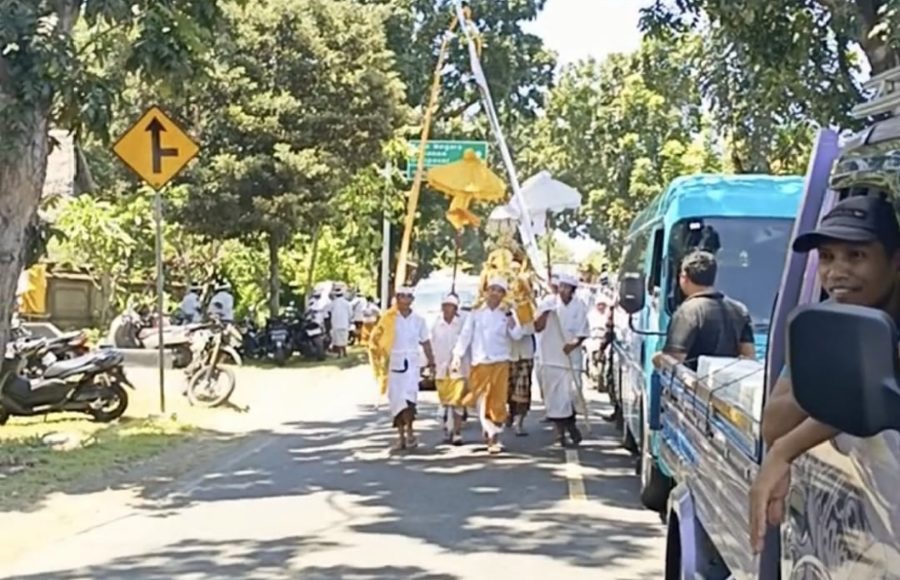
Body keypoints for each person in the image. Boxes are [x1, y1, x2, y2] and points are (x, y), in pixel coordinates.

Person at [750, 196, 900, 553]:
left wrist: (785, 451)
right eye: (827, 257)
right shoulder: (823, 322)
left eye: (856, 256)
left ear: (896, 261)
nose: (836, 272)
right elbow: (774, 424)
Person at [452, 278, 525, 454]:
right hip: (481, 362)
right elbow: (465, 335)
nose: (494, 293)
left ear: (503, 295)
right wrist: (457, 356)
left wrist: (509, 316)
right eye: (492, 289)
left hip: (500, 361)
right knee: (479, 399)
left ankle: (493, 438)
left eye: (499, 291)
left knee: (497, 401)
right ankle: (481, 428)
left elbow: (517, 335)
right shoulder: (476, 313)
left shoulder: (507, 313)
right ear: (486, 292)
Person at [651, 250, 756, 372]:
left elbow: (673, 362)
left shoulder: (688, 311)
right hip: (726, 387)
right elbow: (749, 357)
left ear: (684, 277)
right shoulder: (739, 309)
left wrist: (656, 358)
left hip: (694, 387)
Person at [534, 273, 589, 447]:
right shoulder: (548, 302)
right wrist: (545, 313)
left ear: (573, 290)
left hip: (571, 360)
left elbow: (582, 332)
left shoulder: (579, 306)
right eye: (561, 286)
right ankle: (561, 433)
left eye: (567, 287)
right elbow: (537, 326)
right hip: (551, 359)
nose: (563, 290)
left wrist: (572, 345)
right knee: (555, 400)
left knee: (571, 396)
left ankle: (570, 423)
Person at [380, 287, 435, 450]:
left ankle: (410, 432)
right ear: (396, 298)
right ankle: (401, 435)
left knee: (409, 399)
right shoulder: (388, 319)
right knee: (396, 400)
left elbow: (425, 342)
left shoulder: (419, 320)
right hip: (394, 364)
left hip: (411, 364)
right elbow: (378, 340)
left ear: (412, 300)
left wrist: (431, 362)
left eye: (407, 297)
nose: (403, 300)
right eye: (400, 296)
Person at [431, 294, 468, 445]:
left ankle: (457, 433)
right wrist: (430, 364)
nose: (447, 309)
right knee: (445, 401)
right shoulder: (436, 325)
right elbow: (432, 345)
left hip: (458, 369)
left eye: (451, 306)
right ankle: (448, 429)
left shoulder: (462, 325)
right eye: (445, 305)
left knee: (457, 402)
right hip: (441, 368)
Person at [507, 316, 536, 437]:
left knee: (523, 391)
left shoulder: (529, 308)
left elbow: (528, 330)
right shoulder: (502, 308)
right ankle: (511, 413)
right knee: (507, 391)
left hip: (525, 354)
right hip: (507, 354)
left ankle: (519, 422)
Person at [329, 289, 353, 358]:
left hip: (335, 323)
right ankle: (344, 352)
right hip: (344, 323)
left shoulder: (333, 303)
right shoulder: (347, 303)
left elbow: (329, 311)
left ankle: (340, 353)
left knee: (337, 339)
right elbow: (350, 313)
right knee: (344, 338)